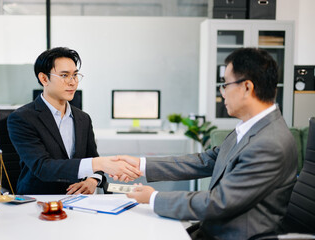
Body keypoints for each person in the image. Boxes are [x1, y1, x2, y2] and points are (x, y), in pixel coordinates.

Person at [118, 48, 298, 239]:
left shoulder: (269, 143)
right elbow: (205, 161)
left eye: (225, 85)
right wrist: (141, 165)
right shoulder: (250, 128)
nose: (222, 93)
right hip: (212, 229)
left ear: (247, 87)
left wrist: (153, 198)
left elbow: (219, 202)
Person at [8, 47, 140, 195]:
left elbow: (93, 158)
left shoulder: (83, 118)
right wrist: (98, 163)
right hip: (39, 199)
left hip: (79, 200)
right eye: (64, 75)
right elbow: (43, 167)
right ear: (44, 79)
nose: (73, 82)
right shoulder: (22, 118)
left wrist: (92, 180)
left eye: (75, 75)